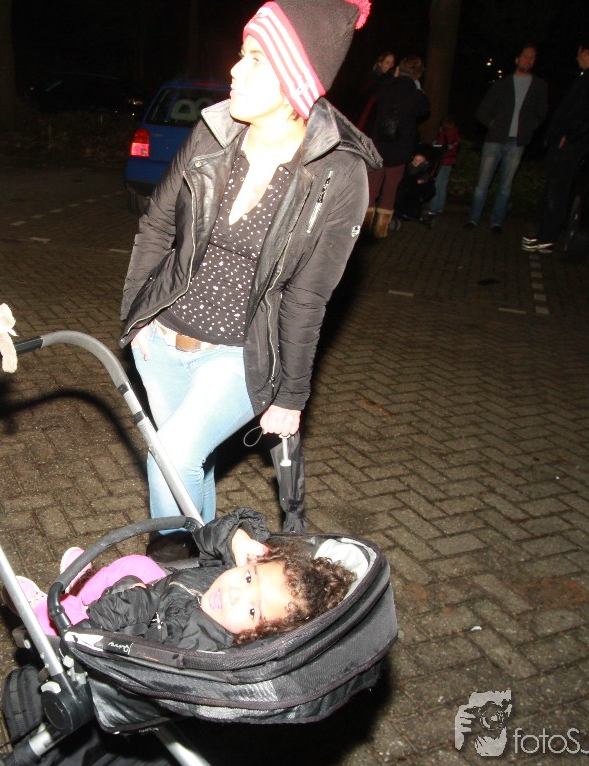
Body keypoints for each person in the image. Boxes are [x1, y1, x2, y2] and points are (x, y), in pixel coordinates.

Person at [119, 0, 379, 563]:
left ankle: (169, 566)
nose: (235, 69)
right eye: (242, 53)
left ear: (294, 81)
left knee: (172, 455)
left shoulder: (338, 174)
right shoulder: (212, 134)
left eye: (256, 58)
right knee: (191, 466)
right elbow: (157, 224)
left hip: (240, 354)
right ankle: (203, 578)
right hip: (161, 341)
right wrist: (137, 317)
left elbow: (309, 294)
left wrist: (292, 394)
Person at [15, 509, 354, 650]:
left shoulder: (196, 643)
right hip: (163, 593)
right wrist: (239, 539)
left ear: (260, 634)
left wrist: (130, 598)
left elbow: (142, 632)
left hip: (131, 623)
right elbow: (213, 537)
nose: (236, 593)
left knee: (58, 620)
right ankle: (81, 588)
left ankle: (60, 605)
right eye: (250, 577)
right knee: (138, 563)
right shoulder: (230, 588)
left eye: (254, 610)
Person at [522, 36, 589, 253]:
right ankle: (544, 234)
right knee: (553, 189)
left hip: (570, 147)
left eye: (578, 53)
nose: (576, 58)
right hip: (565, 144)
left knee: (557, 190)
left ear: (585, 52)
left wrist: (569, 136)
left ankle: (547, 237)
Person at [465, 44, 548, 232]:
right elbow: (482, 110)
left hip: (517, 142)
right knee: (482, 184)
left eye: (532, 57)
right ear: (517, 59)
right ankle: (473, 218)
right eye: (525, 56)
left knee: (505, 186)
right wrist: (493, 124)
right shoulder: (502, 84)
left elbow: (541, 113)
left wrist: (528, 128)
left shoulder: (538, 86)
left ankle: (496, 222)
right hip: (494, 140)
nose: (528, 60)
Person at [363, 55, 430, 238]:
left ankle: (365, 230)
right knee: (390, 191)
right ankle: (380, 230)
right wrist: (417, 87)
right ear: (418, 74)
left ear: (400, 69)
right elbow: (425, 109)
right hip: (399, 150)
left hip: (378, 146)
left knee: (371, 190)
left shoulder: (386, 86)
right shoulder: (416, 94)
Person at [427, 114, 460, 216]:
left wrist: (434, 143)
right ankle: (440, 206)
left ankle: (433, 208)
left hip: (441, 162)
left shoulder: (444, 134)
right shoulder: (456, 135)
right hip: (450, 162)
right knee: (443, 185)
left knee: (436, 185)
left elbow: (438, 147)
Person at [394, 146, 436, 224]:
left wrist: (421, 180)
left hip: (416, 187)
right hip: (406, 186)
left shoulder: (424, 170)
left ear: (424, 162)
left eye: (419, 160)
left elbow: (424, 179)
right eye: (415, 159)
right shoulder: (409, 167)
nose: (416, 161)